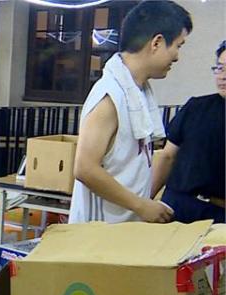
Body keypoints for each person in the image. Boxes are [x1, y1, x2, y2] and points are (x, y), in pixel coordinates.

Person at [70, 0, 192, 224]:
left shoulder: (138, 92)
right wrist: (140, 205)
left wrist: (148, 204)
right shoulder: (110, 96)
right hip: (98, 235)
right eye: (178, 46)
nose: (176, 56)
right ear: (157, 42)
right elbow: (85, 168)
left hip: (125, 229)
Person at [150, 40, 225, 223]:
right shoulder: (196, 108)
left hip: (220, 215)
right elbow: (167, 156)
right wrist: (144, 202)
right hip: (178, 205)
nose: (223, 76)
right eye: (220, 68)